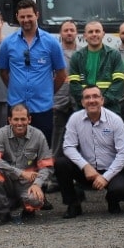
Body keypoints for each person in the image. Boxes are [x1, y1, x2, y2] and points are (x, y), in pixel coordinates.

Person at [57, 85, 124, 218]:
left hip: (111, 170)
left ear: (102, 100)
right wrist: (85, 166)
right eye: (87, 97)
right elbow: (68, 147)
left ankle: (112, 200)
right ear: (82, 102)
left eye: (95, 96)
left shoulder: (115, 120)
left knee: (121, 189)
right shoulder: (75, 119)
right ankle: (73, 203)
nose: (91, 100)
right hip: (87, 171)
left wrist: (105, 177)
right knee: (61, 163)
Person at [0, 0, 68, 141]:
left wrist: (47, 92)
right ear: (17, 17)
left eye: (29, 16)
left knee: (42, 148)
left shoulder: (51, 42)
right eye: (22, 17)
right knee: (15, 148)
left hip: (42, 108)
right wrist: (16, 88)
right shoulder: (7, 43)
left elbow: (61, 74)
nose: (26, 20)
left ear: (37, 15)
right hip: (16, 108)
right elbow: (4, 72)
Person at [0, 104, 53, 225]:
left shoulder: (38, 136)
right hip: (8, 181)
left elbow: (46, 166)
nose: (19, 123)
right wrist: (20, 173)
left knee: (36, 200)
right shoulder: (2, 133)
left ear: (29, 119)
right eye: (16, 119)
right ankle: (3, 212)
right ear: (9, 120)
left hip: (27, 184)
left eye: (23, 119)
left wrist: (37, 184)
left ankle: (27, 208)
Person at [69, 20, 124, 112]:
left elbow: (119, 83)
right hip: (84, 109)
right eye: (90, 32)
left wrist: (103, 101)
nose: (94, 34)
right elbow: (74, 85)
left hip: (110, 108)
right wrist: (88, 101)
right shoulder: (76, 57)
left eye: (97, 31)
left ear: (103, 34)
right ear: (85, 36)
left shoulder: (114, 55)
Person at [51, 20, 81, 155]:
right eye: (66, 30)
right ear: (60, 33)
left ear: (77, 33)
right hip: (58, 101)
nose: (69, 33)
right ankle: (54, 164)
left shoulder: (83, 53)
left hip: (78, 102)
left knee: (79, 138)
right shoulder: (53, 53)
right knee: (56, 137)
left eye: (72, 30)